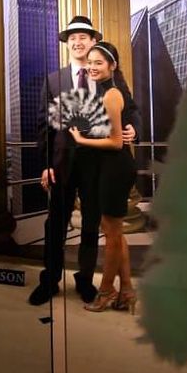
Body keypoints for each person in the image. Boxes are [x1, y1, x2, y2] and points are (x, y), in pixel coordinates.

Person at [29, 16, 140, 306]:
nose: (77, 42)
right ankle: (50, 280)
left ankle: (85, 280)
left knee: (92, 226)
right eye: (72, 38)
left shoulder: (110, 76)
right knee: (56, 225)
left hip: (99, 165)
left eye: (84, 37)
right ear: (68, 44)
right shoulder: (54, 80)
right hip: (62, 165)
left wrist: (133, 128)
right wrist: (46, 163)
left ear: (94, 43)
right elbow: (44, 126)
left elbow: (132, 110)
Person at [67, 42, 138, 313]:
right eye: (90, 62)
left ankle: (107, 291)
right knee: (116, 233)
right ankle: (128, 290)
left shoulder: (111, 95)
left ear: (112, 66)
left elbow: (117, 142)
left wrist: (81, 140)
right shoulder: (107, 92)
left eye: (99, 63)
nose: (92, 67)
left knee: (110, 234)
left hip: (115, 167)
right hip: (110, 167)